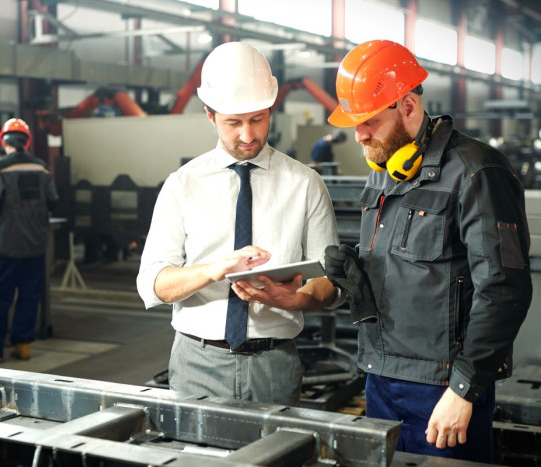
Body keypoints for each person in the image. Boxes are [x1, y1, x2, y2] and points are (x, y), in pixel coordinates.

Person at [323, 40, 531, 462]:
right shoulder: (384, 173)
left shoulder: (476, 171)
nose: (358, 134)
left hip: (442, 388)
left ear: (407, 107)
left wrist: (464, 389)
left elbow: (504, 288)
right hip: (380, 378)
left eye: (368, 122)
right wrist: (356, 281)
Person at [136, 42, 341, 406]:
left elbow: (330, 283)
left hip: (275, 363)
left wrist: (295, 298)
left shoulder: (305, 183)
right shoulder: (182, 184)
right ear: (210, 115)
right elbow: (155, 284)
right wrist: (216, 269)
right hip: (197, 361)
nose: (248, 135)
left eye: (258, 119)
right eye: (234, 123)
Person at [0, 118, 59, 364]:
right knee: (29, 295)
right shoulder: (42, 167)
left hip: (6, 243)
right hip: (37, 243)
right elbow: (53, 200)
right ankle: (23, 345)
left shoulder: (0, 166)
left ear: (2, 140)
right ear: (26, 141)